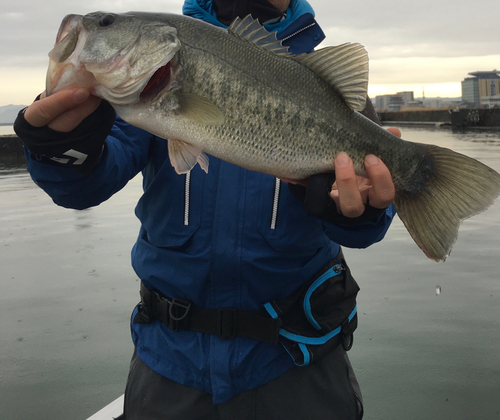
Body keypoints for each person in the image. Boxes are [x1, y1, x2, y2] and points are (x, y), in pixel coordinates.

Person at [14, 0, 399, 418]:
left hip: (297, 364)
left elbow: (365, 227)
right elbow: (86, 186)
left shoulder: (321, 81)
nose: (96, 28)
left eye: (106, 25)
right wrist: (60, 148)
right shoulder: (146, 85)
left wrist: (358, 213)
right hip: (168, 365)